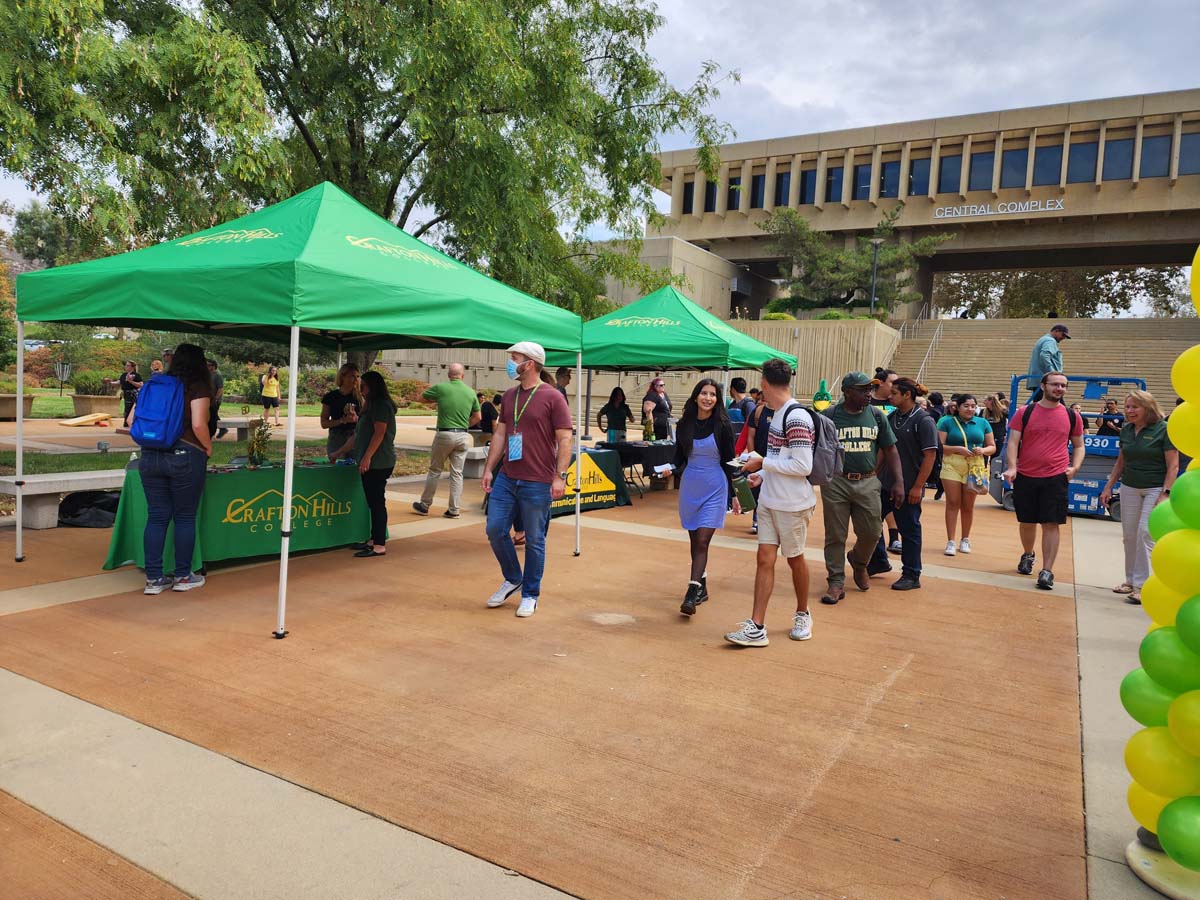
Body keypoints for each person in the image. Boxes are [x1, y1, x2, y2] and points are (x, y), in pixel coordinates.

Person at [725, 358, 817, 646]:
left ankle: (803, 613)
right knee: (764, 559)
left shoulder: (796, 417)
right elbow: (781, 457)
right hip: (770, 500)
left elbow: (803, 466)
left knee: (795, 559)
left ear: (764, 383)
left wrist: (762, 463)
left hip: (792, 504)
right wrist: (762, 475)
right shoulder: (776, 414)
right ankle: (756, 626)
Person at [482, 342, 573, 618]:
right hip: (508, 477)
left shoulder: (553, 397)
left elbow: (565, 439)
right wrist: (489, 469)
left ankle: (530, 594)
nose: (510, 362)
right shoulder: (510, 396)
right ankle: (513, 578)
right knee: (495, 529)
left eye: (515, 358)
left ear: (530, 363)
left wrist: (559, 477)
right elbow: (501, 434)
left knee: (534, 539)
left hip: (538, 480)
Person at [134, 343, 212, 595]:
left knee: (157, 516)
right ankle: (183, 576)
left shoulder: (156, 384)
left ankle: (154, 580)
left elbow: (131, 419)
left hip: (150, 454)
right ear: (200, 363)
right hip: (184, 455)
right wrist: (208, 447)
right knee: (184, 517)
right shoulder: (197, 387)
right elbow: (199, 424)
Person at [819, 372, 903, 605]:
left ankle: (858, 562)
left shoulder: (876, 415)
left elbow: (890, 449)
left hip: (867, 481)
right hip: (836, 482)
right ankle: (836, 581)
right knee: (835, 534)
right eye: (863, 390)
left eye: (870, 389)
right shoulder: (829, 416)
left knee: (872, 532)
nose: (869, 394)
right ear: (847, 392)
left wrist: (899, 482)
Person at [1002, 371, 1085, 590]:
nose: (1059, 389)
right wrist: (1012, 467)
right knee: (1027, 521)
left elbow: (1079, 445)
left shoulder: (1072, 416)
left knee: (1051, 523)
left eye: (1063, 385)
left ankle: (1047, 570)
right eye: (1055, 384)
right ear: (1043, 386)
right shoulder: (1025, 412)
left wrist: (1075, 467)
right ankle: (1028, 554)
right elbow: (1013, 442)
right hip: (1026, 475)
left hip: (1056, 476)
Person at [665, 379, 738, 616]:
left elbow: (729, 461)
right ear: (696, 396)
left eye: (713, 394)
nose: (708, 398)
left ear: (717, 399)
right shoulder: (684, 424)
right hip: (691, 486)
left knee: (703, 540)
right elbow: (679, 457)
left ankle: (691, 591)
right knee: (695, 540)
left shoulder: (723, 425)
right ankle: (702, 587)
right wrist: (669, 468)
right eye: (704, 393)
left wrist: (735, 493)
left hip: (715, 487)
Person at [1101, 391, 1179, 604]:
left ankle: (1143, 586)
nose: (1130, 411)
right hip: (1129, 487)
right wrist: (1108, 487)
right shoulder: (1126, 430)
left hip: (1155, 487)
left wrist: (1166, 493)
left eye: (1135, 407)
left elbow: (1173, 465)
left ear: (1148, 408)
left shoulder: (1163, 430)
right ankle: (1130, 580)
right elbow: (1121, 462)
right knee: (1129, 535)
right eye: (1127, 407)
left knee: (1145, 533)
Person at [866, 377, 939, 591]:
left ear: (907, 395)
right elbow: (884, 449)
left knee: (909, 530)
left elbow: (930, 456)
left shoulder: (923, 421)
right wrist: (874, 473)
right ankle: (879, 560)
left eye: (895, 393)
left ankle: (912, 573)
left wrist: (917, 487)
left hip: (909, 487)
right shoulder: (893, 417)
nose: (890, 396)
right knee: (870, 521)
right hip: (885, 484)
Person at [332, 370, 397, 558]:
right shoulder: (370, 405)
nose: (361, 390)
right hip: (371, 461)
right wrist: (338, 452)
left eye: (364, 387)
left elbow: (380, 433)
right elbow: (358, 435)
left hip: (379, 461)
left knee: (377, 503)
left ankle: (379, 545)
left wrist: (367, 457)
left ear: (372, 387)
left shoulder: (381, 405)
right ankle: (373, 539)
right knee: (372, 502)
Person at [413, 363, 481, 519]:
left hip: (444, 434)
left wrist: (438, 400)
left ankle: (425, 505)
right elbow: (478, 417)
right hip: (462, 435)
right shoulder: (471, 392)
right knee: (457, 474)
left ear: (449, 375)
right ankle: (454, 509)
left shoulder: (441, 388)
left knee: (435, 470)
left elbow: (420, 398)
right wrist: (465, 425)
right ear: (463, 375)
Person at [937, 394, 997, 556]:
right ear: (958, 407)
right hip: (952, 463)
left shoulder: (983, 423)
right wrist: (957, 449)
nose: (970, 409)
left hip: (975, 465)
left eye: (973, 406)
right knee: (953, 502)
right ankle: (950, 541)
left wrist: (983, 450)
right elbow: (939, 446)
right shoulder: (947, 422)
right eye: (966, 406)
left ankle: (965, 539)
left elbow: (992, 446)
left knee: (968, 505)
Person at [320, 363, 361, 458]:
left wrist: (355, 418)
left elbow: (368, 421)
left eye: (358, 376)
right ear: (342, 377)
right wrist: (342, 420)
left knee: (355, 465)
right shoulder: (331, 397)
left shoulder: (361, 397)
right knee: (336, 463)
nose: (356, 379)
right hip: (336, 437)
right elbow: (324, 423)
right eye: (352, 376)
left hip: (355, 436)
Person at [1025, 324, 1070, 402]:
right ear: (1056, 331)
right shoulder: (1050, 341)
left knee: (1039, 406)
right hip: (1048, 382)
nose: (1063, 338)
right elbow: (1044, 355)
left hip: (1041, 381)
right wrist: (1053, 373)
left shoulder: (1043, 339)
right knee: (1058, 407)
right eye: (1063, 335)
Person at [118, 360, 143, 425]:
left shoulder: (136, 375)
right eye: (126, 365)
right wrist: (110, 382)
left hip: (133, 393)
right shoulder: (123, 375)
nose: (126, 367)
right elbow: (119, 382)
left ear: (132, 367)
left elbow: (141, 385)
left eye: (128, 365)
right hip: (126, 393)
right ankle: (126, 423)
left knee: (132, 408)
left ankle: (132, 423)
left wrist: (131, 381)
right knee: (127, 408)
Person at [206, 359, 225, 438]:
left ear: (213, 366)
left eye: (209, 365)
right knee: (212, 415)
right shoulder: (208, 374)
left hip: (215, 400)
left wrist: (216, 398)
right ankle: (223, 429)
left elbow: (220, 388)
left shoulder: (217, 375)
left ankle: (218, 430)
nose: (207, 366)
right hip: (209, 400)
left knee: (213, 416)